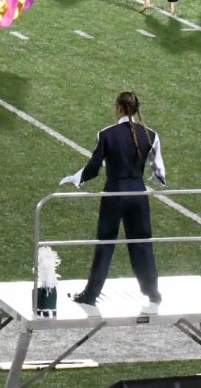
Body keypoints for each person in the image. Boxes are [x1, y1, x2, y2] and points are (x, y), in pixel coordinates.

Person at [59, 91, 166, 306]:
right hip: (138, 192)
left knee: (105, 243)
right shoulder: (150, 134)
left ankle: (91, 294)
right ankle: (152, 292)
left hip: (115, 193)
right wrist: (152, 178)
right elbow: (160, 171)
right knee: (142, 243)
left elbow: (95, 166)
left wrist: (77, 178)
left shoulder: (107, 134)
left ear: (118, 108)